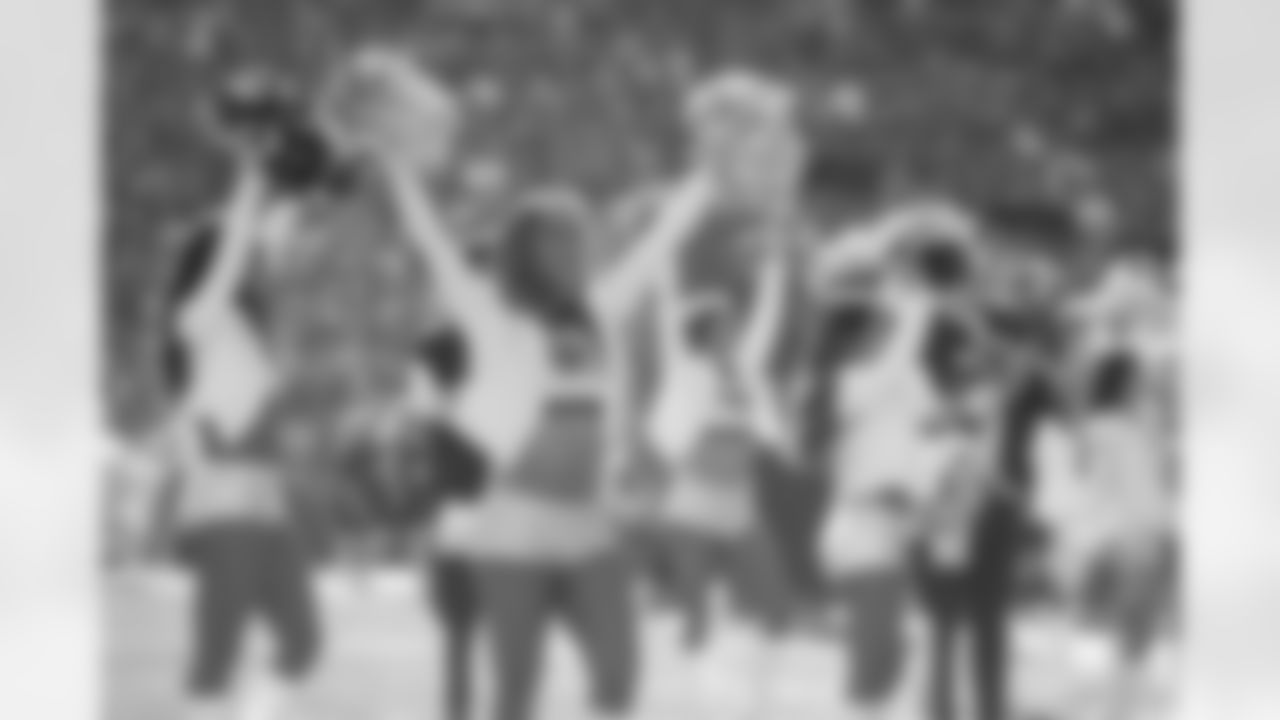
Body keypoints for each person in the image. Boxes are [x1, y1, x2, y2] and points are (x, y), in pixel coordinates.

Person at [376, 72, 721, 716]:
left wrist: (709, 174)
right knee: (517, 693)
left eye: (579, 235)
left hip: (588, 524)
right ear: (526, 251)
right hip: (511, 525)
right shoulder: (492, 317)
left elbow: (660, 244)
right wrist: (396, 166)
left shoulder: (599, 309)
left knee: (618, 677)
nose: (574, 248)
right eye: (557, 238)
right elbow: (432, 244)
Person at [149, 123, 324, 720]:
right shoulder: (197, 319)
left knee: (303, 644)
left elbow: (268, 237)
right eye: (241, 257)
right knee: (214, 663)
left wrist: (309, 185)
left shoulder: (246, 331)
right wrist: (253, 176)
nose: (254, 262)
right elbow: (238, 245)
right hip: (222, 512)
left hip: (268, 514)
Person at [808, 197, 980, 720]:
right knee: (873, 662)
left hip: (898, 529)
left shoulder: (905, 379)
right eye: (876, 327)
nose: (886, 329)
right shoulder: (849, 381)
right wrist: (915, 292)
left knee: (891, 662)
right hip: (859, 526)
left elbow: (939, 424)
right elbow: (896, 351)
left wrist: (957, 425)